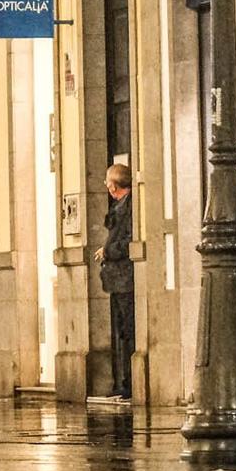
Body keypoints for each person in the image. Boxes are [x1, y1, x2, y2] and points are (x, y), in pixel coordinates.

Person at [99, 163, 135, 401]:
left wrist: (108, 251)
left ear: (113, 186)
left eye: (107, 182)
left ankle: (129, 382)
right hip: (117, 279)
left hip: (124, 278)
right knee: (122, 331)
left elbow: (128, 241)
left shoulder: (129, 207)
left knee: (128, 330)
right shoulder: (119, 206)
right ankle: (124, 381)